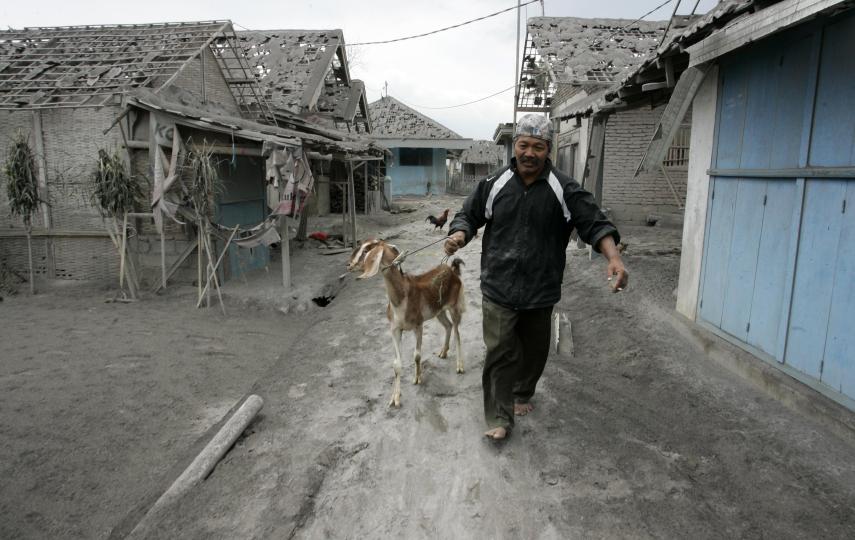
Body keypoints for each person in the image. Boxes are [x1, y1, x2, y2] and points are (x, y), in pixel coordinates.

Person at [443, 113, 628, 440]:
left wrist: (613, 257)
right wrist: (460, 234)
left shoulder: (564, 188)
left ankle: (523, 391)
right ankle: (499, 418)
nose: (530, 153)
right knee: (499, 350)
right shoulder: (494, 184)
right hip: (499, 284)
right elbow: (468, 215)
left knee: (534, 349)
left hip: (541, 287)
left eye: (538, 147)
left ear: (548, 150)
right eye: (524, 145)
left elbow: (594, 222)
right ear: (515, 146)